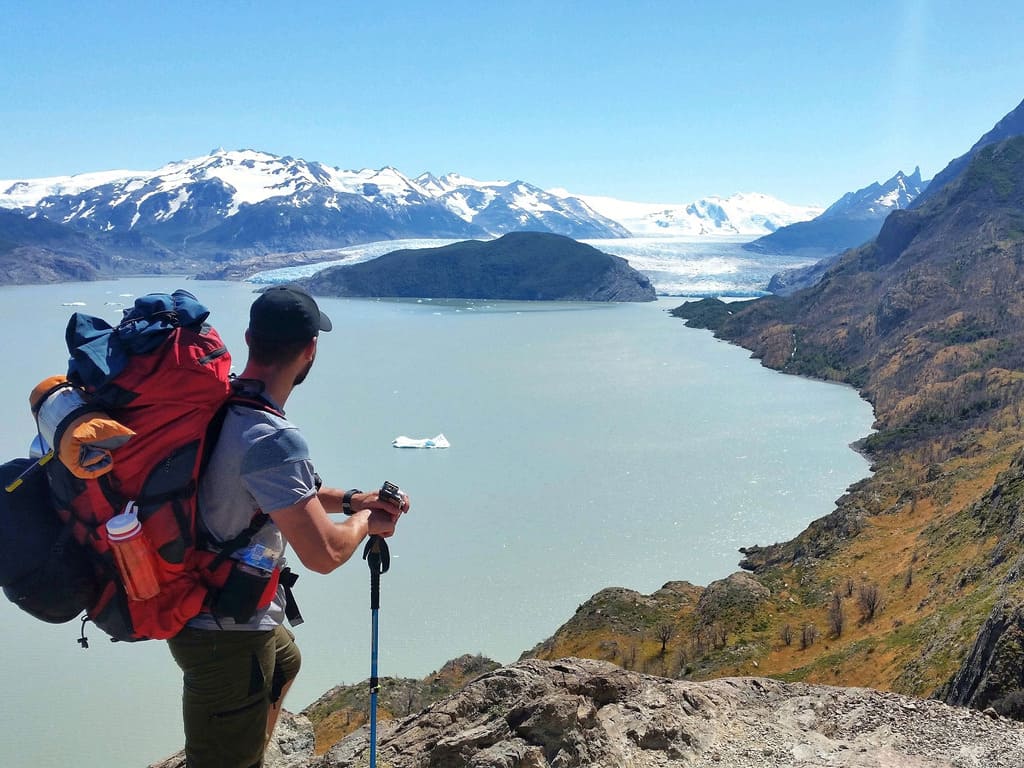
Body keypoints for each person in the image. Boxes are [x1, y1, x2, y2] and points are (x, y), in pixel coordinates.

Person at [168, 284, 408, 768]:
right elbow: (324, 554)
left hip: (209, 601)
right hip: (223, 632)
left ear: (249, 339)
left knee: (285, 661)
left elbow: (283, 494)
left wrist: (354, 500)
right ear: (310, 350)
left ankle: (249, 748)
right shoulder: (271, 438)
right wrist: (367, 520)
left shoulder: (226, 404)